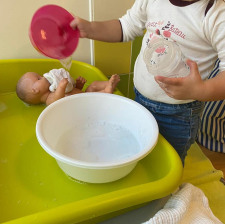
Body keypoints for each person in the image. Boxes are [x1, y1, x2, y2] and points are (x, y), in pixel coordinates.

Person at [70, 0, 225, 164]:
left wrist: (199, 91)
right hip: (141, 98)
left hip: (179, 113)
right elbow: (126, 27)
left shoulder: (217, 16)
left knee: (167, 162)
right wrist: (91, 29)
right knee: (137, 149)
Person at [16, 68, 120, 106]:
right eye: (38, 78)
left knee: (92, 85)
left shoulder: (53, 88)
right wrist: (61, 86)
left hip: (84, 95)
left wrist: (78, 86)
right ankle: (107, 91)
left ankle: (109, 84)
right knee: (91, 94)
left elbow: (73, 92)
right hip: (85, 103)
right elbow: (58, 99)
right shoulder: (49, 99)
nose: (43, 76)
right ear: (35, 90)